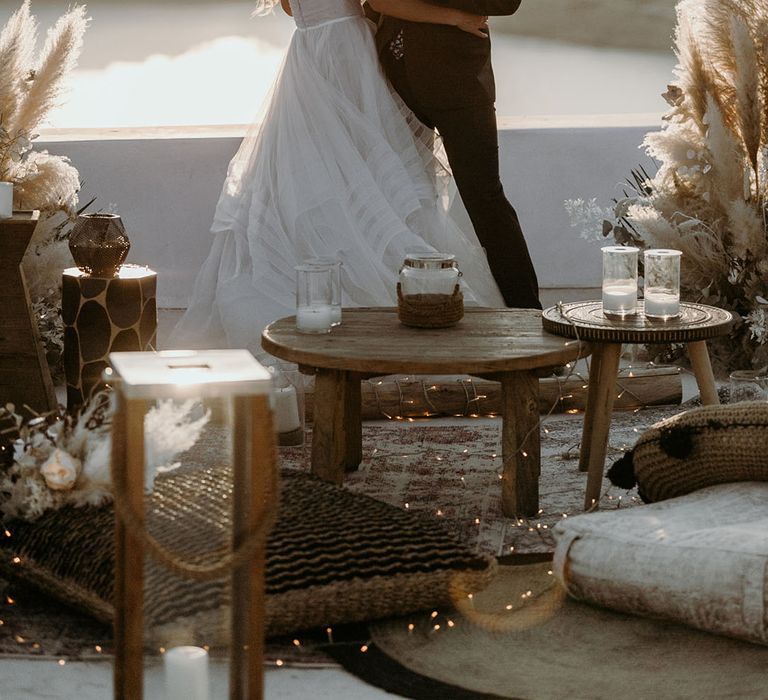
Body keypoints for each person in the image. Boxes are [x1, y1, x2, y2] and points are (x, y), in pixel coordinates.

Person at [171, 0, 506, 356]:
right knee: (368, 168)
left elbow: (291, 9)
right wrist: (456, 16)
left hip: (306, 52)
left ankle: (326, 268)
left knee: (323, 170)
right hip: (346, 53)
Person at [367, 0, 542, 309]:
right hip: (393, 78)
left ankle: (528, 313)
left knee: (485, 199)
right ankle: (417, 309)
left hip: (462, 82)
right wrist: (453, 17)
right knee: (403, 200)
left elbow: (505, 3)